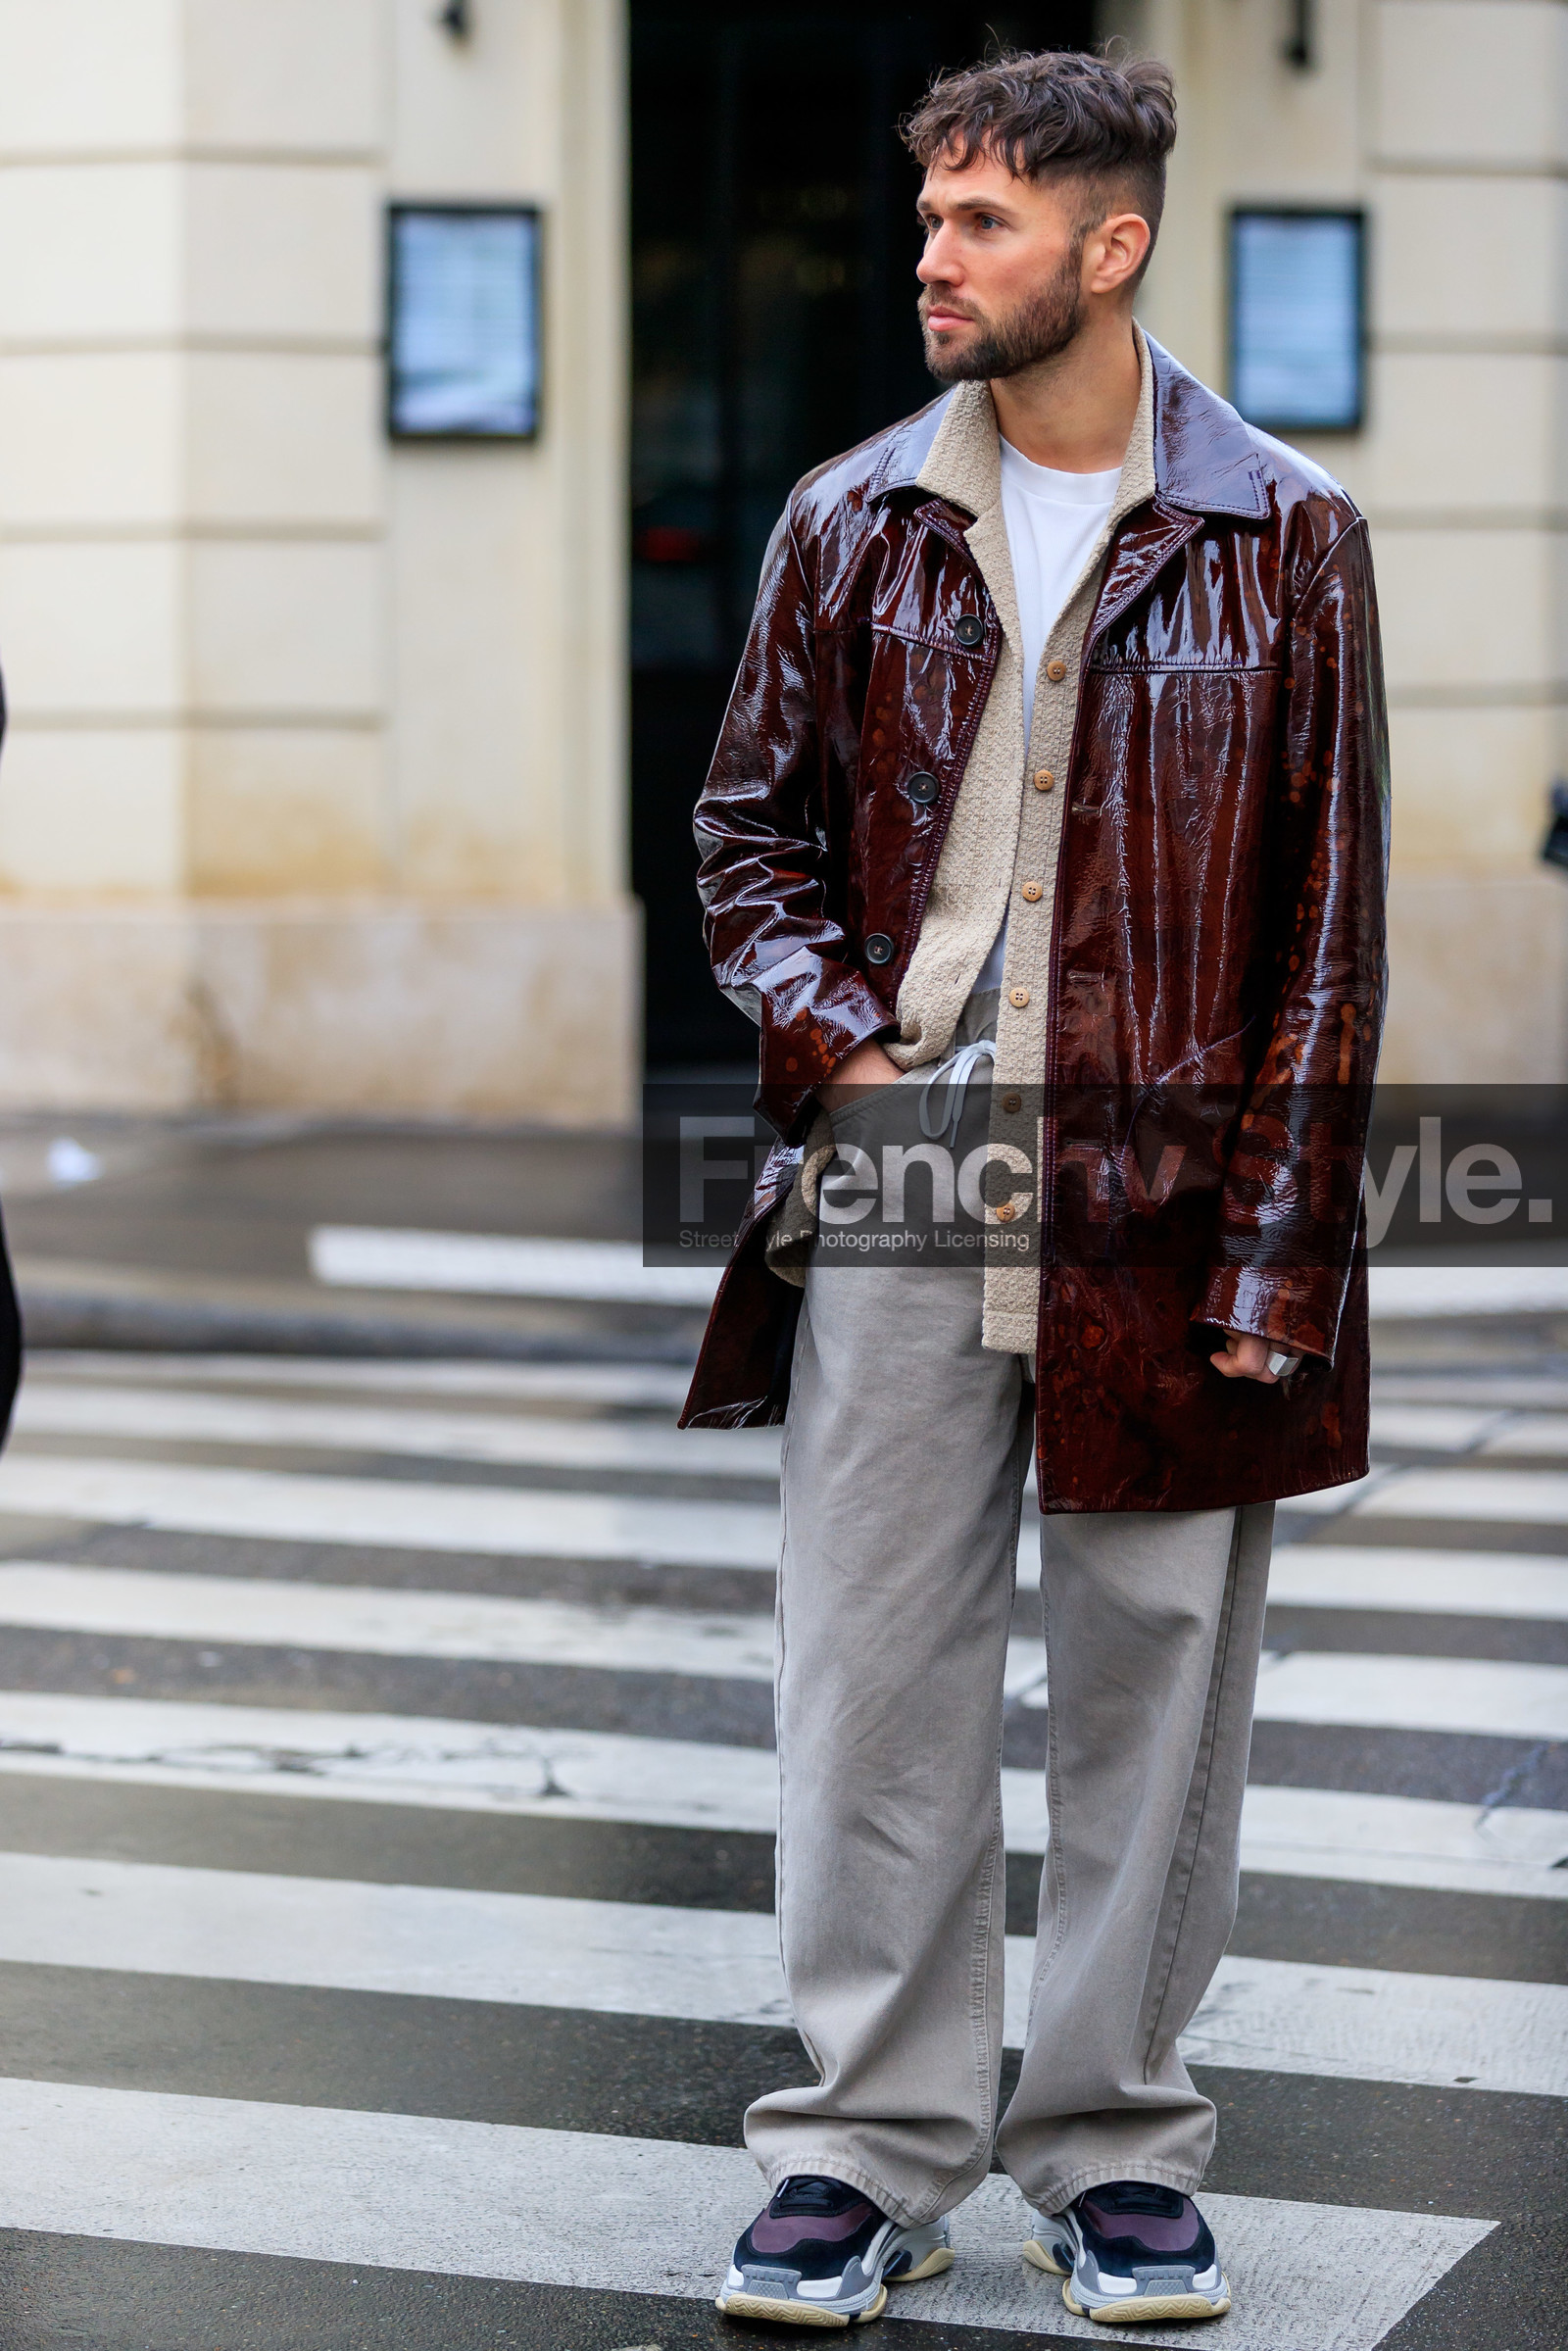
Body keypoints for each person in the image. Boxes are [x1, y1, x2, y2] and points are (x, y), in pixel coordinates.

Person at [681, 45, 1388, 2331]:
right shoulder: (846, 520)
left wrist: (1273, 1253)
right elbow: (745, 833)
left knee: (1149, 1698)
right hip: (901, 1175)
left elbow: (1326, 930)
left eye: (977, 220)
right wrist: (843, 1040)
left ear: (1110, 243)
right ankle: (862, 2152)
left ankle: (1110, 2154)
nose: (930, 254)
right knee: (869, 1686)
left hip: (1167, 1195)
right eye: (926, 216)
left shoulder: (1284, 536)